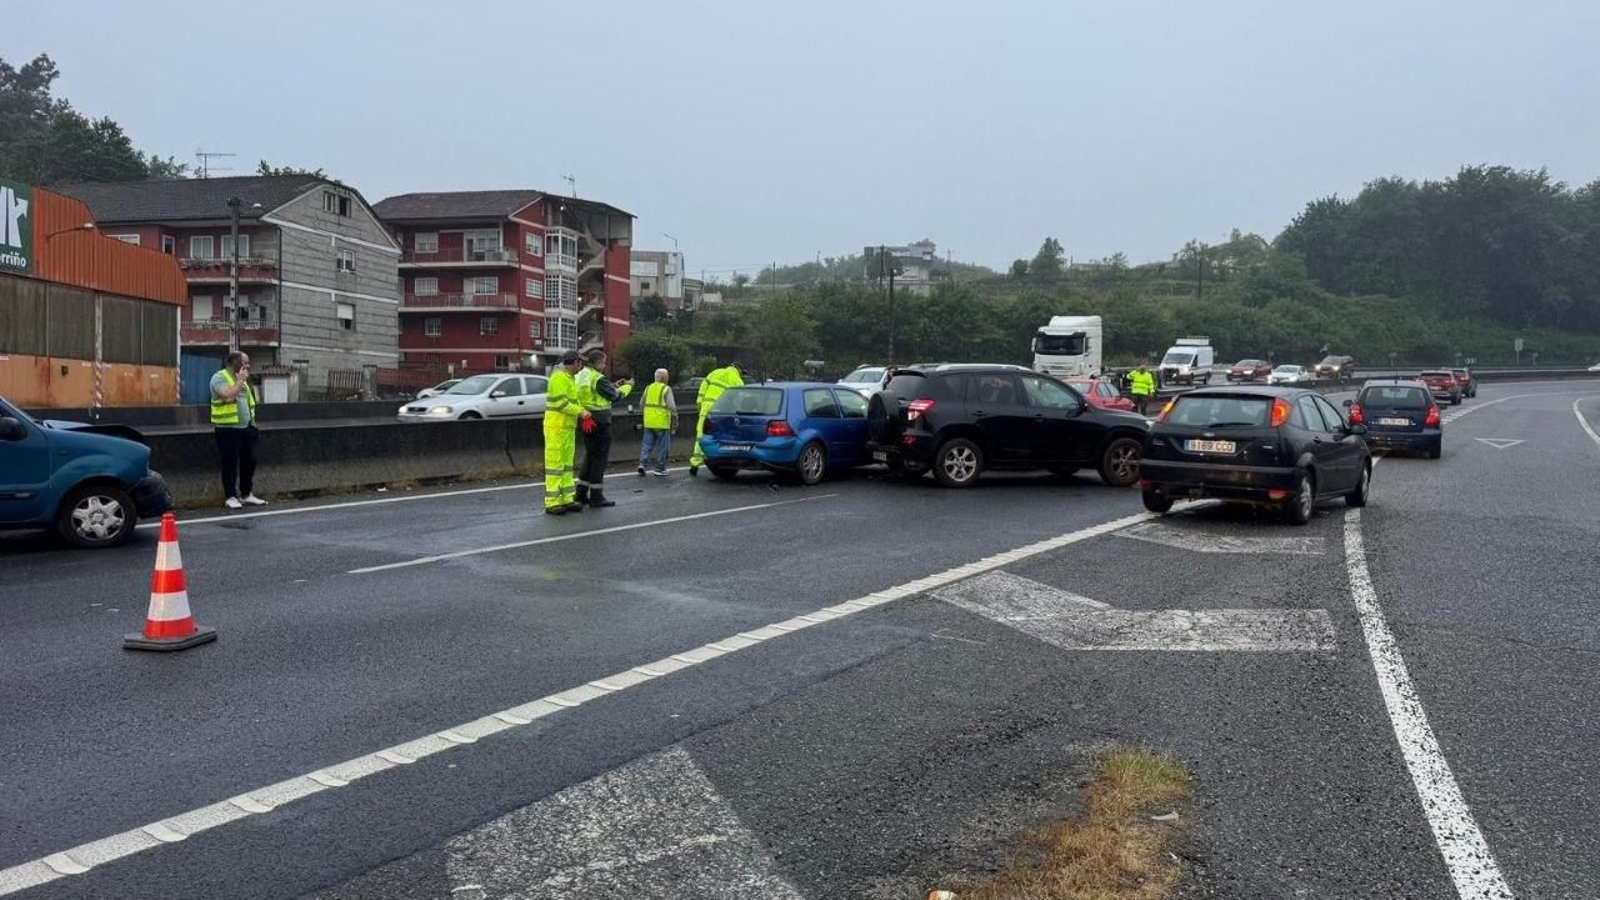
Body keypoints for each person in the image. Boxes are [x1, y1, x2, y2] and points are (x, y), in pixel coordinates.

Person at [574, 348, 634, 507]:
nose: (605, 365)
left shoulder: (581, 375)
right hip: (599, 421)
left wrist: (613, 384)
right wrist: (628, 386)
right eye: (604, 362)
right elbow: (614, 396)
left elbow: (595, 393)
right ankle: (596, 496)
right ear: (598, 362)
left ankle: (580, 494)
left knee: (590, 457)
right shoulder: (598, 378)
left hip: (585, 419)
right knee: (599, 459)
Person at [211, 351, 267, 510]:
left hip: (246, 428)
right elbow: (227, 396)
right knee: (229, 463)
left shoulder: (243, 379)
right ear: (235, 363)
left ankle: (246, 494)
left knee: (250, 460)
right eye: (245, 363)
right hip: (228, 428)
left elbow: (248, 402)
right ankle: (230, 496)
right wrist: (240, 381)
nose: (248, 366)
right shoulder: (219, 377)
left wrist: (253, 424)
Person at [543, 351, 585, 515]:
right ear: (574, 362)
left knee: (567, 466)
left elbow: (572, 401)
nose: (581, 367)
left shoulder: (569, 378)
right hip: (556, 428)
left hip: (567, 428)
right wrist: (581, 412)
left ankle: (567, 498)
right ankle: (552, 502)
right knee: (555, 464)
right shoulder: (559, 378)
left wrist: (581, 410)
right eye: (580, 364)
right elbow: (561, 403)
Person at [688, 361, 744, 476]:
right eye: (742, 372)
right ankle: (720, 461)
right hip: (722, 411)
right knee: (722, 437)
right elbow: (739, 399)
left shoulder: (716, 372)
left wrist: (699, 401)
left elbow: (704, 385)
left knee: (701, 435)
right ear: (738, 370)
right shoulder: (737, 380)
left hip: (706, 406)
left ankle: (694, 463)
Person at [637, 368, 677, 477]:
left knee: (647, 445)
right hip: (662, 422)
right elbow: (672, 407)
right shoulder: (666, 389)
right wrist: (675, 420)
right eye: (667, 376)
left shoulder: (648, 388)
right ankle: (660, 469)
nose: (668, 378)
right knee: (663, 447)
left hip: (649, 421)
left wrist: (647, 413)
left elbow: (641, 404)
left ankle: (642, 464)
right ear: (664, 378)